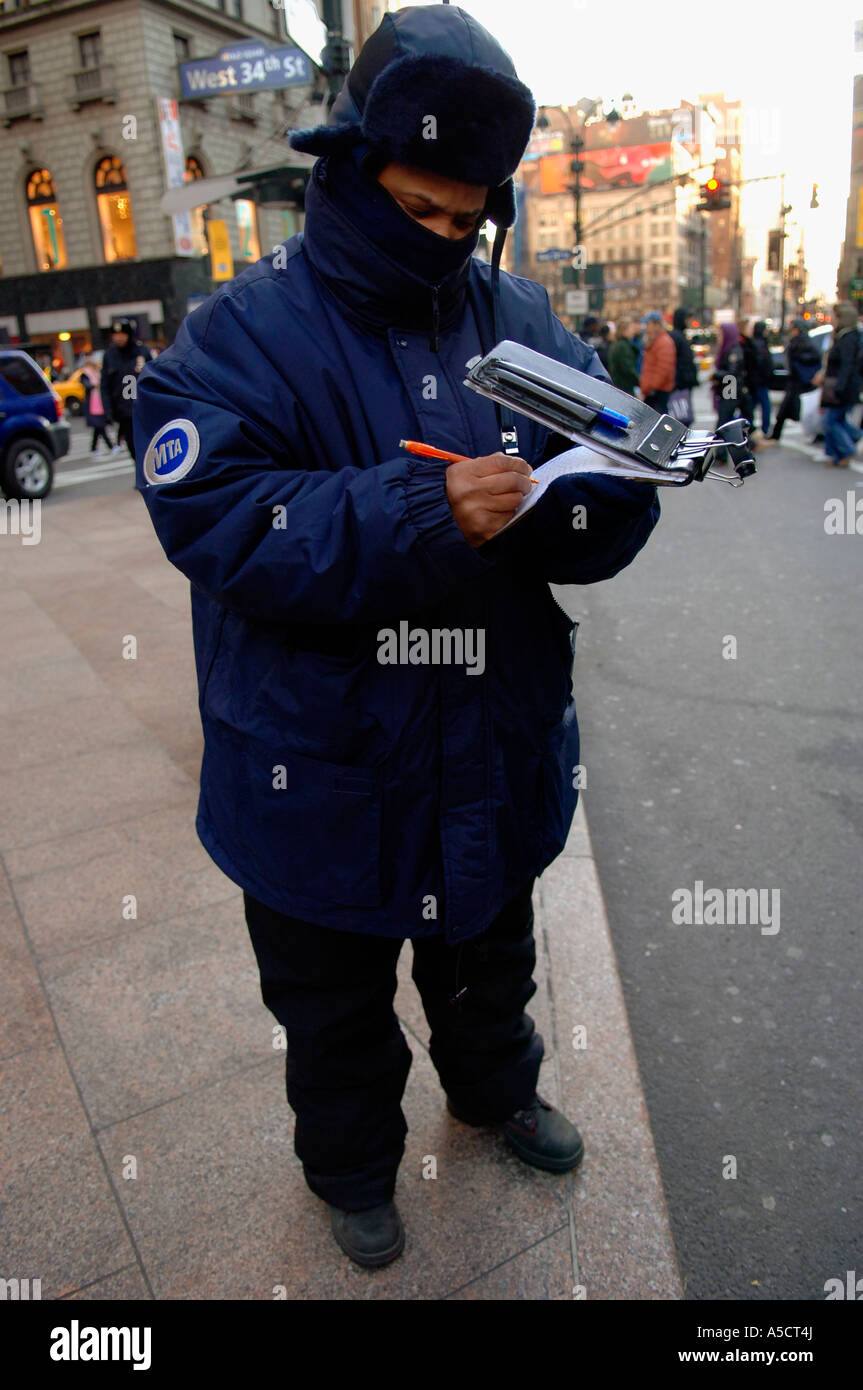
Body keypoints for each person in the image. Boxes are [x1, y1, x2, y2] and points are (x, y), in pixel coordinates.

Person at [133, 3, 660, 1272]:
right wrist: (424, 508)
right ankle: (352, 1168)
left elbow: (606, 486)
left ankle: (495, 1093)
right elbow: (217, 516)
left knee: (490, 951)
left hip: (491, 733)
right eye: (420, 208)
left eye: (469, 214)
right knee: (332, 1005)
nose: (446, 240)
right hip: (317, 764)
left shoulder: (520, 316)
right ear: (353, 166)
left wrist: (592, 490)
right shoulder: (238, 334)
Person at [813, 301, 863, 467]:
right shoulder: (844, 335)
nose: (831, 319)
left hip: (841, 386)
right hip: (840, 385)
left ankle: (847, 448)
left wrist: (839, 387)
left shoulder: (848, 338)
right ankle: (838, 452)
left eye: (834, 316)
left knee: (830, 421)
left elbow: (847, 365)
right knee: (837, 419)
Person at [102, 319, 152, 462]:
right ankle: (140, 475)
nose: (119, 338)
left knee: (149, 443)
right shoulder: (110, 355)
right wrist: (108, 411)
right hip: (124, 411)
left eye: (122, 334)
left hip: (144, 408)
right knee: (132, 445)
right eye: (115, 334)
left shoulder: (142, 351)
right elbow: (105, 385)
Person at [768, 318, 822, 443]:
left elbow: (811, 358)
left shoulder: (802, 342)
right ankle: (776, 434)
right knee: (788, 410)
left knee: (802, 410)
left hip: (801, 381)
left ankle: (776, 434)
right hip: (797, 381)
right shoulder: (799, 341)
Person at [712, 321, 753, 429]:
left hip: (731, 389)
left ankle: (722, 444)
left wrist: (716, 375)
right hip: (729, 388)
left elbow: (732, 373)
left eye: (721, 334)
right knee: (726, 421)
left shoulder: (734, 350)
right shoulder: (727, 349)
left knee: (724, 422)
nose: (719, 337)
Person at [639, 310, 676, 413]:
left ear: (656, 324)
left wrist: (650, 387)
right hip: (652, 391)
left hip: (657, 392)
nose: (645, 327)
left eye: (647, 324)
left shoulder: (663, 342)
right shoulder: (655, 341)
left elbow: (663, 369)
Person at [80, 357, 117, 455]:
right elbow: (86, 385)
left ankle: (94, 448)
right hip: (92, 404)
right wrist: (94, 385)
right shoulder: (85, 374)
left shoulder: (97, 373)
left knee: (98, 428)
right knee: (100, 426)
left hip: (99, 403)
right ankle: (111, 446)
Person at [668, 307, 698, 421]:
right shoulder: (676, 337)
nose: (689, 321)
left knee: (684, 416)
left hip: (683, 383)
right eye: (687, 318)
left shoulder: (680, 336)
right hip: (680, 384)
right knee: (682, 417)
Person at [608, 318, 640, 395]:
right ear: (624, 330)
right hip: (624, 386)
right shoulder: (623, 346)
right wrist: (639, 381)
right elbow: (627, 367)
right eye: (631, 328)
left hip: (619, 385)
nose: (633, 331)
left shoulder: (617, 344)